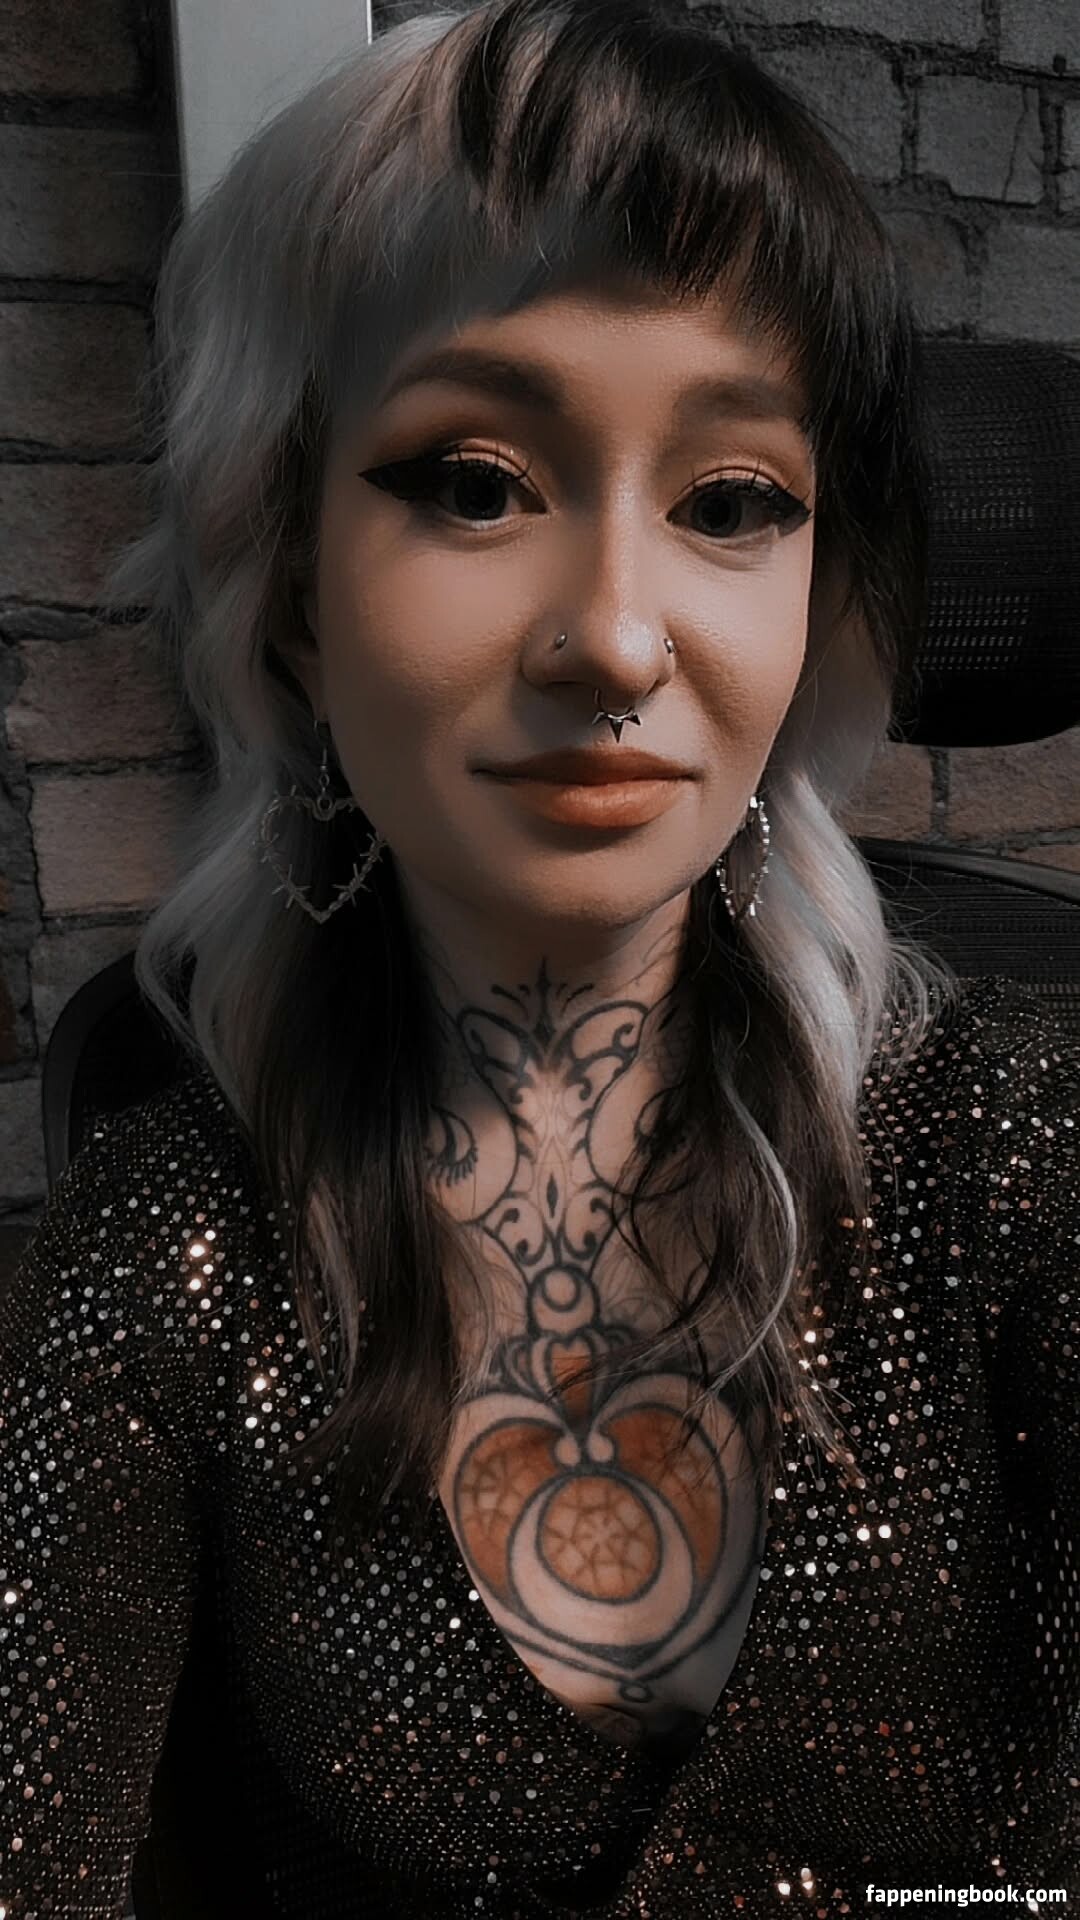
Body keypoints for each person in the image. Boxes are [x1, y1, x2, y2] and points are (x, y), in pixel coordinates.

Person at [1, 0, 1077, 1913]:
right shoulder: (167, 1244)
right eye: (476, 481)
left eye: (732, 504)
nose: (619, 638)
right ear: (291, 586)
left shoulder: (1027, 1153)